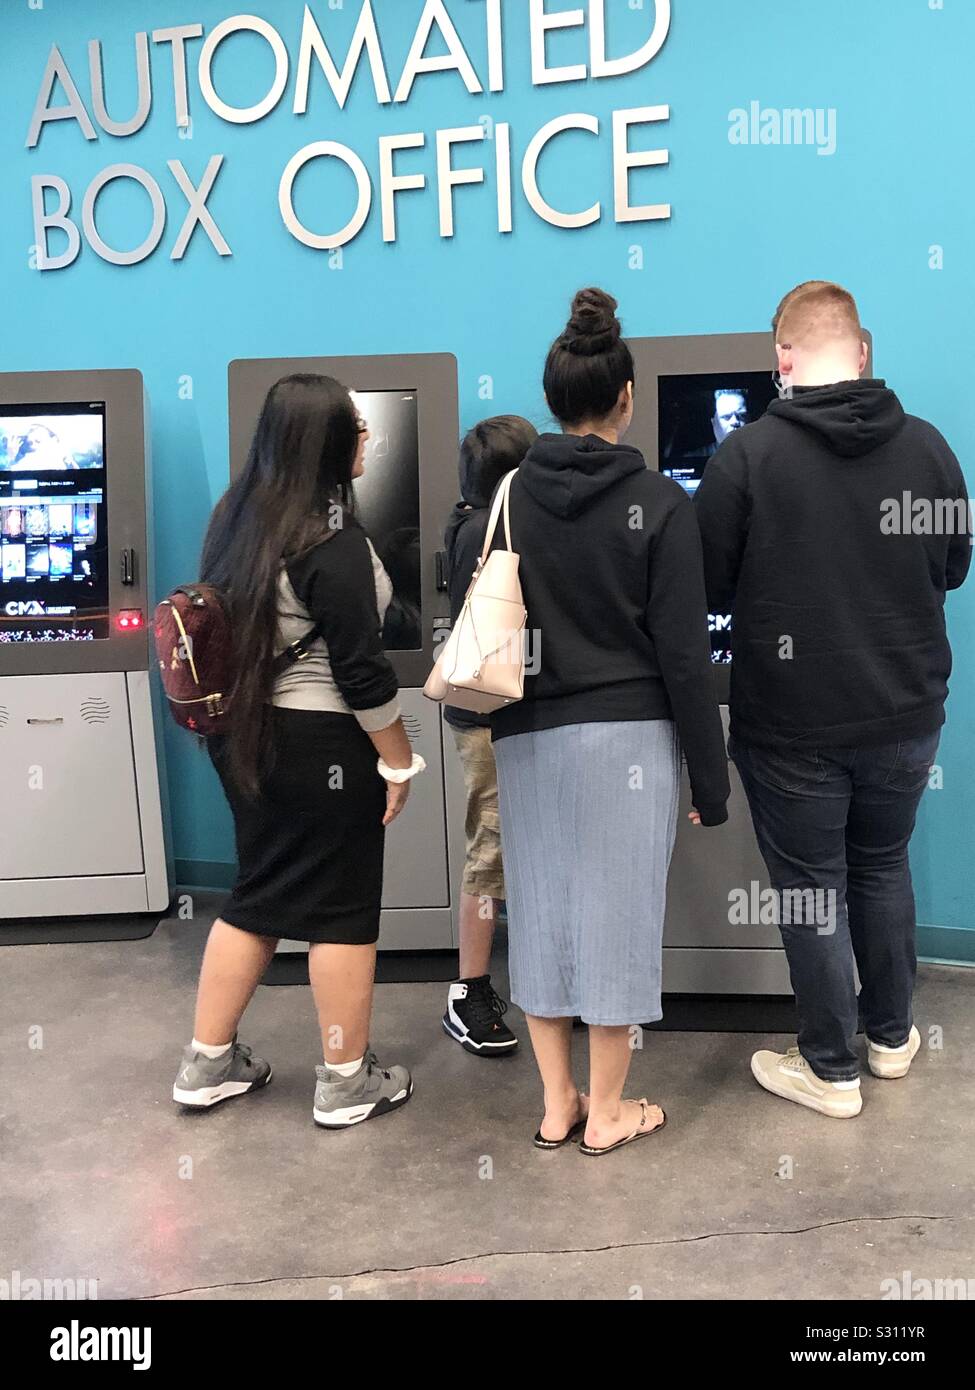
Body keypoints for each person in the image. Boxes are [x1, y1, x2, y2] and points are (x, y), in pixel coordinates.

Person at [695, 280, 972, 1118]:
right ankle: (890, 1039)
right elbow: (953, 566)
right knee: (881, 868)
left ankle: (829, 1068)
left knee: (812, 888)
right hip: (904, 715)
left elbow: (705, 582)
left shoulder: (744, 459)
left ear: (782, 360)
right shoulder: (927, 448)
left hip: (790, 726)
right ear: (860, 350)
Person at [490, 288, 730, 1156]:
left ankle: (557, 1104)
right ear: (625, 397)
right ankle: (611, 1111)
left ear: (554, 400)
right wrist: (710, 778)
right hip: (628, 737)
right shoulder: (661, 505)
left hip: (524, 738)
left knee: (544, 913)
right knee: (618, 919)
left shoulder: (508, 495)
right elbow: (683, 659)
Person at [172, 373, 426, 1129]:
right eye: (356, 426)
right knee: (342, 912)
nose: (365, 438)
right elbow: (361, 670)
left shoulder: (233, 521)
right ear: (328, 443)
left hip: (243, 736)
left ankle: (207, 1062)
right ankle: (347, 1080)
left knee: (256, 896)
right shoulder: (334, 544)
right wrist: (397, 759)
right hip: (324, 748)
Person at [441, 415, 538, 1056]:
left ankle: (508, 981)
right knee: (494, 850)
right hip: (492, 716)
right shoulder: (493, 528)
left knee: (501, 847)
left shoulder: (466, 520)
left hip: (486, 710)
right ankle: (468, 990)